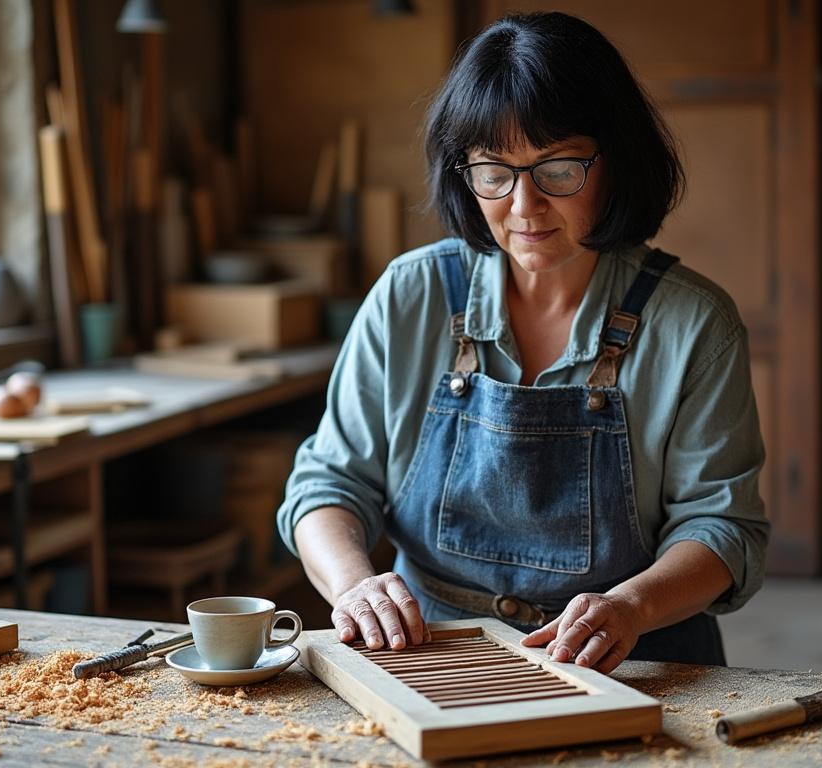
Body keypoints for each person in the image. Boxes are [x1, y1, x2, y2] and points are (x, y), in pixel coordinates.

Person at [276, 11, 768, 672]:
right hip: (429, 648)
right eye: (494, 171)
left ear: (615, 161)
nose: (523, 205)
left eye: (558, 169)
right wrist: (353, 586)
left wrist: (631, 607)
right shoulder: (410, 295)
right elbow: (328, 482)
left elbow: (723, 527)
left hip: (635, 657)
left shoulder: (694, 323)